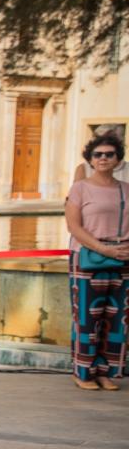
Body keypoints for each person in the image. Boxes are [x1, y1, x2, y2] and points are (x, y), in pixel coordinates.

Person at [64, 132, 129, 390]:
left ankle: (106, 371)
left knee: (116, 318)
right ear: (90, 159)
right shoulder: (80, 188)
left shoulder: (126, 189)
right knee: (87, 317)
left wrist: (119, 250)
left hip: (122, 257)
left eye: (109, 154)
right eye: (98, 155)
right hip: (88, 257)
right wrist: (104, 249)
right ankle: (83, 372)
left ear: (118, 159)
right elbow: (73, 226)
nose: (103, 158)